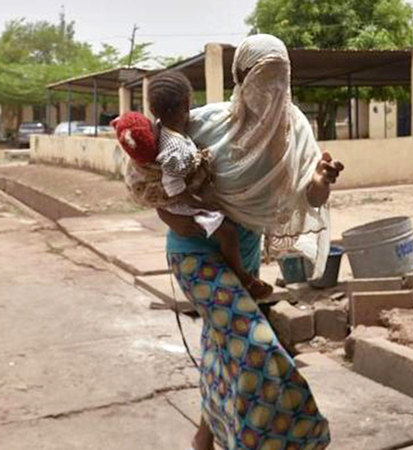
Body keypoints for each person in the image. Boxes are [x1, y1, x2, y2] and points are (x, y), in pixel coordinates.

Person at [154, 34, 343, 450]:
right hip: (195, 255)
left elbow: (309, 196)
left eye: (278, 78)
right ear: (240, 78)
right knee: (256, 347)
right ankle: (292, 437)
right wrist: (173, 215)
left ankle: (205, 436)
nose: (269, 90)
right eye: (261, 78)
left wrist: (320, 182)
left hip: (245, 256)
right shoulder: (205, 123)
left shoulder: (295, 132)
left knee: (224, 348)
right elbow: (145, 182)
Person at [113, 72, 272, 299]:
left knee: (222, 328)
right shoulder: (182, 142)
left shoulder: (160, 132)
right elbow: (170, 185)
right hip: (191, 237)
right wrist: (200, 203)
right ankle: (243, 276)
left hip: (246, 243)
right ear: (187, 102)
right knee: (227, 234)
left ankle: (245, 276)